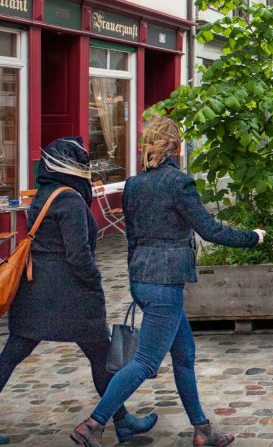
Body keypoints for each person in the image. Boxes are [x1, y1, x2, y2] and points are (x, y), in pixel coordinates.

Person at [72, 117, 266, 447]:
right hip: (166, 283)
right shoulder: (179, 183)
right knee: (145, 362)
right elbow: (210, 230)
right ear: (176, 147)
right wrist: (252, 238)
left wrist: (138, 276)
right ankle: (93, 424)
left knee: (184, 354)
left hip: (143, 278)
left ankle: (203, 430)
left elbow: (130, 236)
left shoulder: (133, 185)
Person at [0, 138, 155, 445]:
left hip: (35, 293)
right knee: (100, 354)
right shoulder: (69, 199)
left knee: (12, 355)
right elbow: (78, 254)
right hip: (70, 295)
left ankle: (122, 421)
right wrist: (94, 280)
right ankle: (122, 422)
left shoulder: (46, 192)